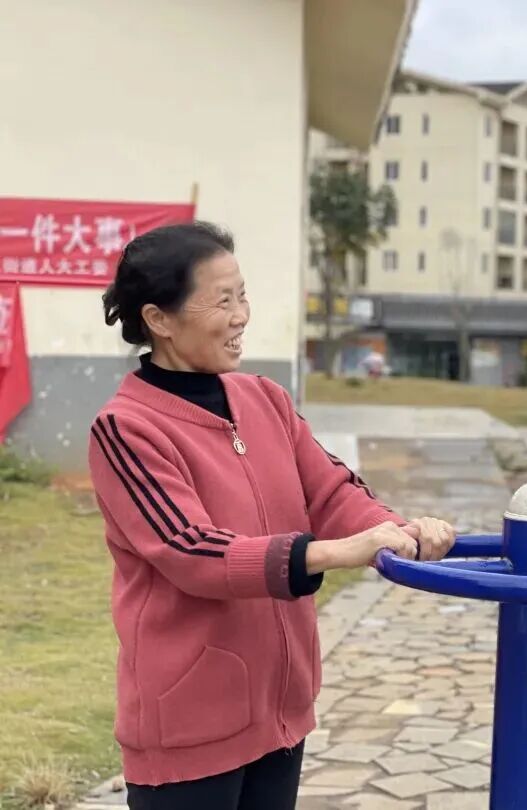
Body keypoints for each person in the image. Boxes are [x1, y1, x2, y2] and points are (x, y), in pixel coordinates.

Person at [88, 222, 456, 810]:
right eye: (222, 301)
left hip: (279, 712)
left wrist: (393, 529)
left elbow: (331, 491)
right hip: (187, 726)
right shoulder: (127, 429)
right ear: (159, 319)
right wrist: (335, 553)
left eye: (243, 296)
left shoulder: (266, 399)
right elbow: (193, 552)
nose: (241, 316)